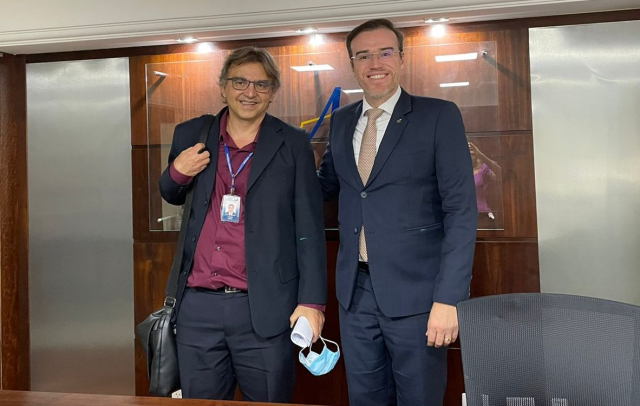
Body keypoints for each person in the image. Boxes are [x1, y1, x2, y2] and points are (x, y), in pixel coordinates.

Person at [317, 19, 477, 406]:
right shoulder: (341, 122)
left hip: (419, 297)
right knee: (364, 399)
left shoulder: (438, 116)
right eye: (363, 55)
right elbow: (323, 188)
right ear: (352, 64)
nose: (375, 63)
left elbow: (460, 211)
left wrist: (449, 299)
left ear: (402, 58)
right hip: (355, 295)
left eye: (385, 52)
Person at [159, 46, 327, 402]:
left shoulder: (293, 143)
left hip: (265, 307)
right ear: (223, 86)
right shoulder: (192, 134)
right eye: (240, 82)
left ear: (273, 92)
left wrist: (312, 303)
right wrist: (178, 171)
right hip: (197, 308)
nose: (250, 92)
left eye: (261, 85)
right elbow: (170, 193)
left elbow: (309, 229)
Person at [468, 141, 501, 213]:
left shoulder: (484, 169)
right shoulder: (461, 171)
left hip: (481, 212)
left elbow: (500, 173)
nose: (470, 157)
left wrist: (480, 154)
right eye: (467, 153)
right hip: (464, 211)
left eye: (473, 154)